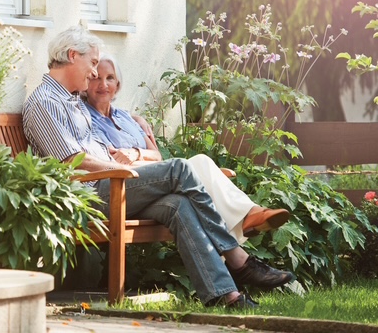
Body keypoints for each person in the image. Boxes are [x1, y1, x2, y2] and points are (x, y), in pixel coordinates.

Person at [22, 26, 296, 308]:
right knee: (179, 168)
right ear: (71, 55)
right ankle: (237, 258)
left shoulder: (72, 101)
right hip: (88, 195)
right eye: (92, 63)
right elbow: (71, 160)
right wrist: (122, 170)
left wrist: (133, 125)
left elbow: (104, 123)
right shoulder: (45, 102)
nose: (94, 73)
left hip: (109, 185)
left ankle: (226, 296)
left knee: (179, 205)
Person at [83, 53, 290, 244]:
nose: (103, 84)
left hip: (160, 180)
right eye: (96, 78)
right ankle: (248, 220)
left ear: (118, 85)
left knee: (200, 162)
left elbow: (156, 154)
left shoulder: (127, 118)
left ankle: (249, 218)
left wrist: (136, 153)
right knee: (197, 165)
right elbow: (113, 162)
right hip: (128, 189)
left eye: (109, 78)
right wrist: (148, 161)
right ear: (86, 83)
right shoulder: (86, 120)